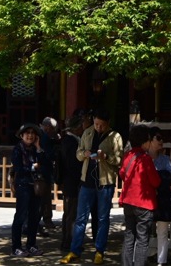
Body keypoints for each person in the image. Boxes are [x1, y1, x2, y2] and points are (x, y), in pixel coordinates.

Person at [61, 110, 124, 265]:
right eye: (96, 124)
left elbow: (119, 160)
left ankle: (100, 251)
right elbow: (78, 154)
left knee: (103, 218)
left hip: (105, 183)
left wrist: (105, 157)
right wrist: (85, 154)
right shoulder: (87, 132)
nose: (98, 127)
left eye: (102, 125)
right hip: (86, 181)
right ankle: (75, 250)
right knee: (80, 218)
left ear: (107, 123)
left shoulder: (115, 137)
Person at [119, 125, 160, 266]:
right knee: (142, 239)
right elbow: (155, 181)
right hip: (143, 204)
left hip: (128, 202)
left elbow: (122, 174)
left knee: (129, 236)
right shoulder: (145, 159)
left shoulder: (128, 156)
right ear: (144, 142)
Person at [10, 123, 47, 256]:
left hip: (35, 186)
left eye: (32, 133)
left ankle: (31, 244)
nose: (30, 135)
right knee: (20, 216)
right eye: (27, 133)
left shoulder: (35, 149)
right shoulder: (17, 149)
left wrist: (38, 148)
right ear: (21, 135)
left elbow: (44, 163)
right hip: (23, 185)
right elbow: (18, 168)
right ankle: (16, 246)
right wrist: (33, 167)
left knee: (34, 216)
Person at [60, 111, 89, 253]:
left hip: (68, 182)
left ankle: (68, 240)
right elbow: (73, 164)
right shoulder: (70, 142)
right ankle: (69, 242)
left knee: (70, 213)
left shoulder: (68, 141)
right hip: (72, 182)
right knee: (72, 214)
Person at [147, 127, 171, 266]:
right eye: (158, 138)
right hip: (146, 199)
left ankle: (162, 261)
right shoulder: (144, 158)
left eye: (162, 138)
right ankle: (140, 258)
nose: (161, 141)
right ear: (150, 140)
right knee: (143, 230)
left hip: (163, 198)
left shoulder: (166, 159)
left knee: (163, 231)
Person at [40, 116, 61, 232]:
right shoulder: (45, 138)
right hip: (43, 171)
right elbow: (49, 154)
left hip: (43, 171)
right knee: (45, 197)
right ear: (48, 128)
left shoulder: (43, 136)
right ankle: (47, 220)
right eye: (53, 129)